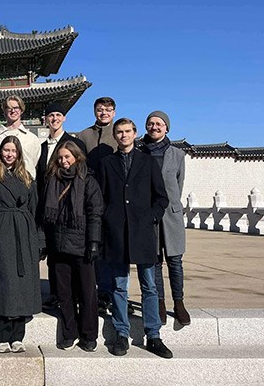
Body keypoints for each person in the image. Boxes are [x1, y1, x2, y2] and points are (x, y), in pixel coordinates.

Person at [98, 117, 172, 359]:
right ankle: (121, 332)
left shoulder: (148, 162)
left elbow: (161, 197)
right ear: (115, 135)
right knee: (119, 286)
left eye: (127, 131)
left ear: (135, 133)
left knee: (149, 286)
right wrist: (108, 218)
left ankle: (153, 335)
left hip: (143, 233)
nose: (123, 135)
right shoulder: (107, 163)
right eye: (119, 132)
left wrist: (151, 217)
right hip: (117, 232)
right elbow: (102, 197)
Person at [0, 136, 41, 353]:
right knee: (5, 282)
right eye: (6, 150)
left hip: (25, 233)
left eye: (13, 151)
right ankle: (1, 334)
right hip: (2, 231)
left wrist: (38, 237)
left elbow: (35, 210)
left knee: (24, 283)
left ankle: (17, 335)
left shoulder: (27, 178)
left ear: (19, 153)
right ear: (0, 152)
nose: (9, 154)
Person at [40, 141, 104, 351]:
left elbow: (95, 214)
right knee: (64, 293)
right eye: (60, 158)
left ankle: (89, 334)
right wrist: (44, 242)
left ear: (77, 157)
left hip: (81, 244)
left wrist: (94, 242)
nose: (63, 161)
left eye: (67, 157)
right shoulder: (52, 180)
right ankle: (70, 332)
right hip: (58, 244)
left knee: (86, 293)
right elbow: (44, 215)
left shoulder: (88, 181)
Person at [139, 110, 191, 326]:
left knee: (175, 261)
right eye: (151, 123)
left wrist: (171, 207)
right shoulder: (140, 152)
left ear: (166, 128)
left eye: (159, 124)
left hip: (171, 215)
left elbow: (178, 186)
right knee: (155, 261)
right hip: (149, 213)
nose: (154, 127)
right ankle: (159, 302)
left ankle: (178, 303)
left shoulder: (177, 154)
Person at [35, 102, 87, 310]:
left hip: (68, 207)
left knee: (70, 255)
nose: (54, 118)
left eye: (58, 115)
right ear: (45, 119)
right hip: (48, 207)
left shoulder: (73, 144)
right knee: (53, 253)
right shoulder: (43, 147)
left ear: (64, 118)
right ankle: (56, 293)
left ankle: (73, 294)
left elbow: (81, 175)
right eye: (51, 115)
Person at [78, 97, 119, 314]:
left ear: (114, 113)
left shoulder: (119, 132)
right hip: (91, 194)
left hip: (115, 196)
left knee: (113, 245)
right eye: (100, 109)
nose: (104, 113)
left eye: (108, 110)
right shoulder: (84, 135)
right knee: (94, 243)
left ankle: (115, 292)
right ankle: (100, 292)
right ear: (94, 111)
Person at [0, 95, 42, 178]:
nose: (13, 111)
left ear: (21, 110)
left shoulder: (32, 138)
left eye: (16, 107)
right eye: (9, 108)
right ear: (4, 111)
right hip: (1, 183)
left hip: (26, 183)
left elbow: (35, 162)